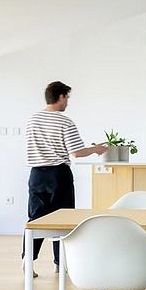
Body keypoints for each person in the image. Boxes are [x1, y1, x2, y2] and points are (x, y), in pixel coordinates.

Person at [24, 81, 107, 276]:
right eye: (67, 97)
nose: (67, 102)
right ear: (60, 97)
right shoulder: (65, 122)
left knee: (35, 219)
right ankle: (60, 264)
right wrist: (96, 149)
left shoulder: (32, 119)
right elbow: (76, 153)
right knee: (63, 219)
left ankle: (27, 262)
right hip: (58, 175)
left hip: (36, 175)